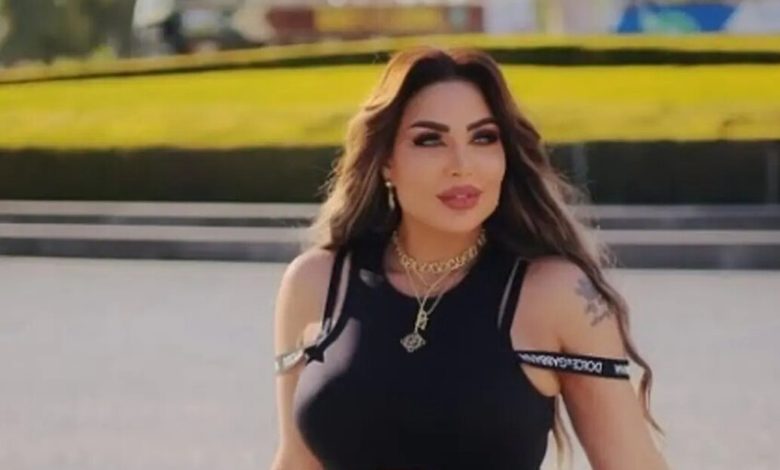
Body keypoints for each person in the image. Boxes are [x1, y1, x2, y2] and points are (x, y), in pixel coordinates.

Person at [271, 46, 669, 470]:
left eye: (483, 138)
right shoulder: (318, 282)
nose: (462, 165)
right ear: (386, 161)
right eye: (430, 140)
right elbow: (295, 461)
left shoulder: (555, 293)